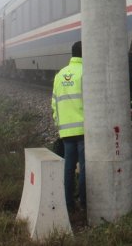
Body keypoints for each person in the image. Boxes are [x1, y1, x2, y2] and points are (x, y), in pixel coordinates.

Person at [52, 41, 85, 211]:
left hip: (66, 131)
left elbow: (54, 103)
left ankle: (69, 205)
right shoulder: (86, 72)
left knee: (69, 168)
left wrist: (60, 123)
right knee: (85, 168)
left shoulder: (60, 75)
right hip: (84, 130)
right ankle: (86, 204)